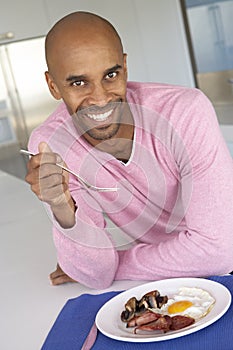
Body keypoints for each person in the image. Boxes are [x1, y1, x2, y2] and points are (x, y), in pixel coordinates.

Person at [25, 11, 233, 289]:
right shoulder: (51, 145)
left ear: (124, 66)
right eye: (78, 83)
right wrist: (63, 208)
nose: (100, 98)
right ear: (53, 85)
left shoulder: (185, 111)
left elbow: (221, 251)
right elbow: (95, 275)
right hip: (171, 284)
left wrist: (118, 263)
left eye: (110, 75)